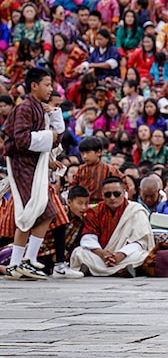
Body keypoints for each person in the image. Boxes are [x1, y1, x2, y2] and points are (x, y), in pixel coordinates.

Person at [3, 69, 65, 281]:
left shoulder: (39, 108)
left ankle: (14, 265)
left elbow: (56, 138)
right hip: (22, 163)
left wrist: (54, 115)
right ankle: (28, 260)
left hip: (34, 164)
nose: (50, 89)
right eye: (47, 84)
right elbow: (21, 139)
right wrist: (50, 135)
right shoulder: (25, 108)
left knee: (31, 213)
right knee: (43, 211)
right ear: (34, 86)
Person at [69, 177, 153, 277]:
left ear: (124, 193)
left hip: (125, 255)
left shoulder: (136, 211)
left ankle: (93, 270)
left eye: (116, 194)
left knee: (143, 255)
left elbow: (140, 242)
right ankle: (120, 271)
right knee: (79, 252)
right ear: (102, 195)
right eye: (108, 195)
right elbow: (88, 236)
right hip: (101, 255)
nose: (112, 198)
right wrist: (102, 254)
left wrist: (121, 255)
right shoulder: (95, 211)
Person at [72, 136, 123, 202]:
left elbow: (122, 182)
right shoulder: (81, 169)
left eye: (88, 153)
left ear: (98, 152)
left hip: (103, 203)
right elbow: (73, 185)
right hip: (84, 203)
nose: (84, 156)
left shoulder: (108, 169)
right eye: (82, 153)